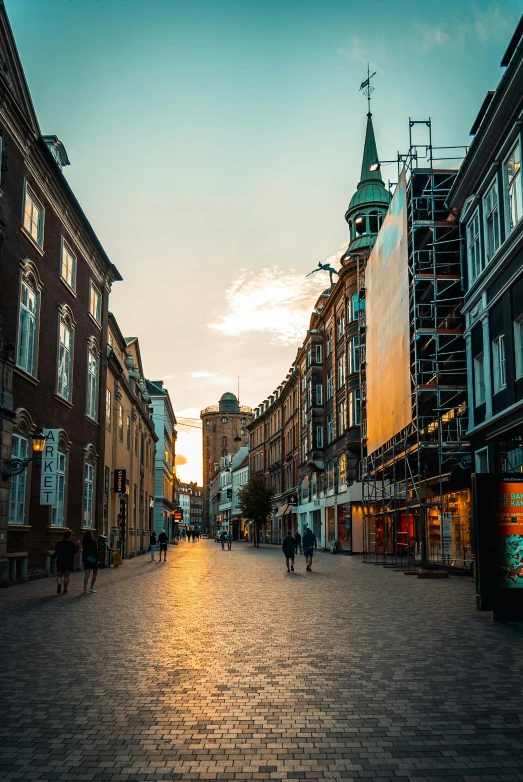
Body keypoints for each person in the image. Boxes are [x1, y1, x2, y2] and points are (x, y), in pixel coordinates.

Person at [53, 529, 80, 594]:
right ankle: (65, 590)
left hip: (60, 561)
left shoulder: (59, 543)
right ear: (69, 536)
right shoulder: (71, 544)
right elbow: (75, 552)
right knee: (66, 576)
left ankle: (59, 584)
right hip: (68, 561)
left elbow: (56, 552)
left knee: (59, 575)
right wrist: (78, 545)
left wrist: (53, 558)